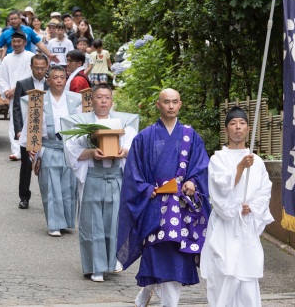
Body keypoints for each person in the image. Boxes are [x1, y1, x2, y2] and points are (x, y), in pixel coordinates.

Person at [117, 88, 210, 307]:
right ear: (158, 105)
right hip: (155, 206)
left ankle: (167, 302)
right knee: (155, 253)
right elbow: (134, 174)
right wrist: (149, 191)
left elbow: (200, 166)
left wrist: (193, 182)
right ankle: (148, 289)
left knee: (176, 255)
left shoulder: (190, 135)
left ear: (180, 104)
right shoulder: (144, 137)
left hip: (181, 208)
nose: (170, 106)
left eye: (174, 102)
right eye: (166, 102)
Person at [200, 107, 273, 307]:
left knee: (247, 278)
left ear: (248, 128)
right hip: (225, 227)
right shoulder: (218, 159)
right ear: (226, 130)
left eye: (242, 123)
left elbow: (265, 190)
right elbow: (219, 189)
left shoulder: (257, 162)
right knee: (224, 273)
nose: (238, 127)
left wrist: (252, 207)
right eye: (233, 123)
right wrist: (240, 167)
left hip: (246, 227)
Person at [65, 83, 138, 281]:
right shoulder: (83, 123)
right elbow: (70, 150)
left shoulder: (123, 123)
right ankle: (95, 266)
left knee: (115, 221)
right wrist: (91, 152)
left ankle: (112, 261)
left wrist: (125, 152)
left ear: (112, 101)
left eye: (107, 97)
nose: (103, 101)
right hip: (93, 177)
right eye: (99, 97)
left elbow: (135, 148)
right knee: (93, 222)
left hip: (116, 177)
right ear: (93, 100)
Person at [21, 66, 82, 235]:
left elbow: (80, 123)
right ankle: (54, 224)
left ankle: (67, 221)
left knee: (68, 186)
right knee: (51, 185)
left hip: (69, 147)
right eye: (55, 77)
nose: (59, 80)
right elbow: (31, 125)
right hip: (49, 146)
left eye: (62, 77)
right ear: (48, 80)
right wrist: (32, 147)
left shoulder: (75, 99)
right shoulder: (39, 99)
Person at [12, 54, 49, 209]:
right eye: (36, 68)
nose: (39, 71)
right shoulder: (22, 84)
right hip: (28, 131)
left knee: (46, 166)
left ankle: (48, 198)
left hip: (46, 131)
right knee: (26, 166)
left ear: (47, 67)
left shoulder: (51, 84)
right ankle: (24, 196)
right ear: (31, 67)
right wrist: (19, 130)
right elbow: (16, 109)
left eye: (42, 68)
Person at [0, 29, 35, 161]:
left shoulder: (30, 57)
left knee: (29, 121)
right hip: (14, 97)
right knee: (14, 121)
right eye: (14, 41)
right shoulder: (7, 58)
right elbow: (2, 77)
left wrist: (16, 88)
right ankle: (16, 150)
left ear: (24, 42)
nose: (16, 44)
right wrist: (7, 90)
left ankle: (30, 149)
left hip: (28, 94)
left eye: (19, 41)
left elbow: (30, 75)